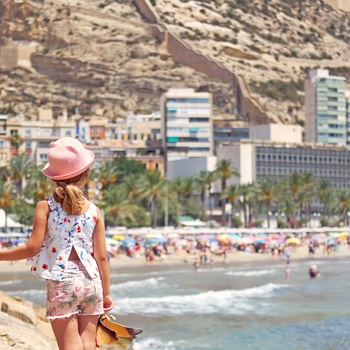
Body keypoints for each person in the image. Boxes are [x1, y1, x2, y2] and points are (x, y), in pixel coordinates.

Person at [0, 137, 114, 350]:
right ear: (86, 174)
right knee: (89, 343)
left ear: (53, 177)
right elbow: (101, 257)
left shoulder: (46, 207)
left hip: (62, 281)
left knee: (70, 346)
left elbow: (31, 248)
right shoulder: (94, 211)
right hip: (92, 281)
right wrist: (106, 293)